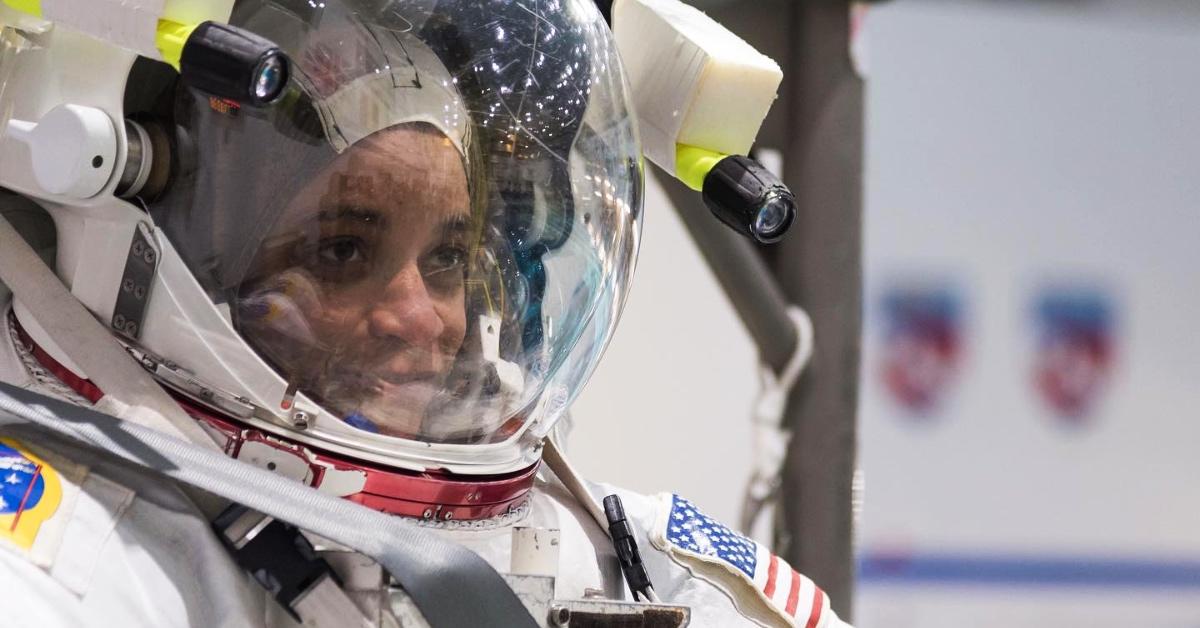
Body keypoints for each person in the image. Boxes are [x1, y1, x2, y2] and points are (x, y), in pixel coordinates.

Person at [0, 1, 850, 626]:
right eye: (340, 251)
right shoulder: (75, 571)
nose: (422, 321)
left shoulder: (639, 567)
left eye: (446, 258)